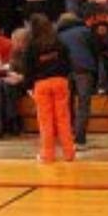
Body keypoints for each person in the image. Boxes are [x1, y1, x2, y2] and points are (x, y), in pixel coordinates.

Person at [23, 12, 75, 163]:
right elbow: (68, 63)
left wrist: (28, 86)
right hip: (60, 82)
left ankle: (47, 155)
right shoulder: (59, 42)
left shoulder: (32, 46)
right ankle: (69, 153)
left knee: (45, 121)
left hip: (41, 84)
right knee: (63, 119)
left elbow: (28, 69)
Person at [56, 11, 98, 148]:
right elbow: (95, 49)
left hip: (65, 72)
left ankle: (66, 137)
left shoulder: (58, 35)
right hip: (84, 70)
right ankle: (80, 139)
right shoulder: (85, 31)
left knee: (66, 105)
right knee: (83, 105)